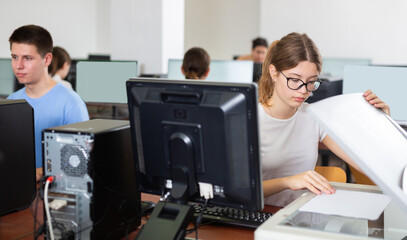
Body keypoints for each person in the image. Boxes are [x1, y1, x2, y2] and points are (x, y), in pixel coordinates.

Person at [258, 32, 390, 207]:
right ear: (273, 72)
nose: (304, 90)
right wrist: (287, 181)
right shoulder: (250, 119)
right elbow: (235, 191)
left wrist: (383, 124)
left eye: (311, 81)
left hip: (301, 215)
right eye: (295, 80)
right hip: (261, 216)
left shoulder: (313, 116)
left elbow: (367, 163)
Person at [7, 25, 89, 181]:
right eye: (15, 57)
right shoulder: (11, 102)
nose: (19, 65)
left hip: (51, 193)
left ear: (47, 59)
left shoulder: (71, 104)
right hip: (15, 189)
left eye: (27, 58)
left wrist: (40, 172)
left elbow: (81, 162)